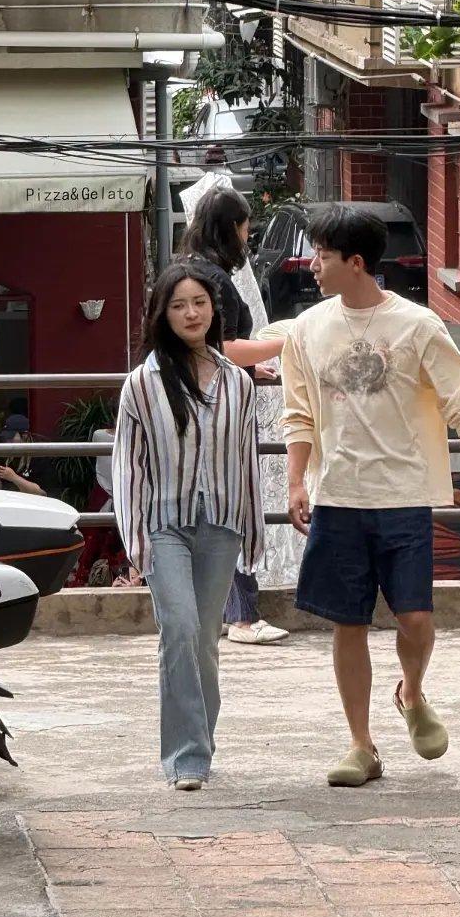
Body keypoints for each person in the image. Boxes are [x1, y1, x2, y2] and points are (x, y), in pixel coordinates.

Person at [281, 203, 460, 788]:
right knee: (347, 622)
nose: (313, 265)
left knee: (416, 617)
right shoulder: (306, 330)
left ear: (355, 262)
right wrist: (296, 480)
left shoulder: (417, 325)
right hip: (339, 496)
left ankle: (411, 691)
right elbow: (298, 413)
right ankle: (361, 744)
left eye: (322, 256)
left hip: (404, 493)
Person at [112, 260, 264, 791]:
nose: (191, 313)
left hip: (221, 523)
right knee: (178, 629)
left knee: (204, 641)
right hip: (164, 525)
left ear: (213, 310)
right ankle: (186, 757)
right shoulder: (142, 384)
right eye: (179, 305)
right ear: (163, 314)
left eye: (199, 303)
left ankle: (200, 742)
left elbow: (246, 461)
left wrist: (254, 532)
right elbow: (128, 467)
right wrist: (135, 538)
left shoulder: (237, 383)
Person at [179, 186, 288, 646]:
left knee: (213, 506)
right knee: (233, 505)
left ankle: (225, 611)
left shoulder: (189, 269)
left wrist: (250, 368)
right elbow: (222, 347)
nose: (248, 237)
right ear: (231, 229)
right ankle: (243, 616)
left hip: (198, 401)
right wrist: (287, 342)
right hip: (218, 408)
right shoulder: (215, 280)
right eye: (245, 228)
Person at [0, 414, 51, 496]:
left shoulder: (39, 455)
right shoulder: (6, 457)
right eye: (5, 438)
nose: (7, 442)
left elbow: (42, 493)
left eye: (10, 438)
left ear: (24, 435)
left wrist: (14, 477)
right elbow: (1, 493)